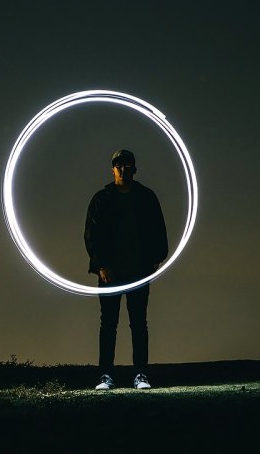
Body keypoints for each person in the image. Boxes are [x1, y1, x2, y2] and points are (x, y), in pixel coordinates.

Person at [84, 149, 168, 390]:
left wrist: (155, 260)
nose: (122, 169)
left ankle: (141, 374)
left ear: (134, 168)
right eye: (118, 165)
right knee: (109, 324)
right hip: (110, 272)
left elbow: (158, 229)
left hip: (138, 270)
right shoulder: (102, 199)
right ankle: (105, 376)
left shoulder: (146, 197)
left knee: (139, 323)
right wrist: (100, 265)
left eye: (127, 164)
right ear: (112, 169)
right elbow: (92, 234)